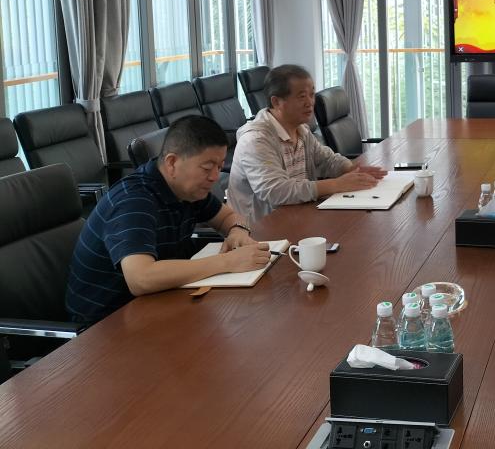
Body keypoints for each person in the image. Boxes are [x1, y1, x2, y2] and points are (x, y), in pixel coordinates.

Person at [66, 116, 271, 326]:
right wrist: (227, 262)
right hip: (106, 324)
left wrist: (237, 231)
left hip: (158, 302)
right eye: (207, 167)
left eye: (219, 167)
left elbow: (227, 217)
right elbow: (140, 278)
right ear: (172, 162)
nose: (215, 176)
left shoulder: (187, 189)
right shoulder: (134, 201)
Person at [229, 64, 386, 225]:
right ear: (276, 102)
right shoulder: (256, 140)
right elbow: (275, 191)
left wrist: (351, 169)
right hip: (258, 230)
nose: (310, 102)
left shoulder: (301, 130)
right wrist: (336, 184)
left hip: (298, 217)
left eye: (312, 95)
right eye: (302, 96)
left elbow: (326, 160)